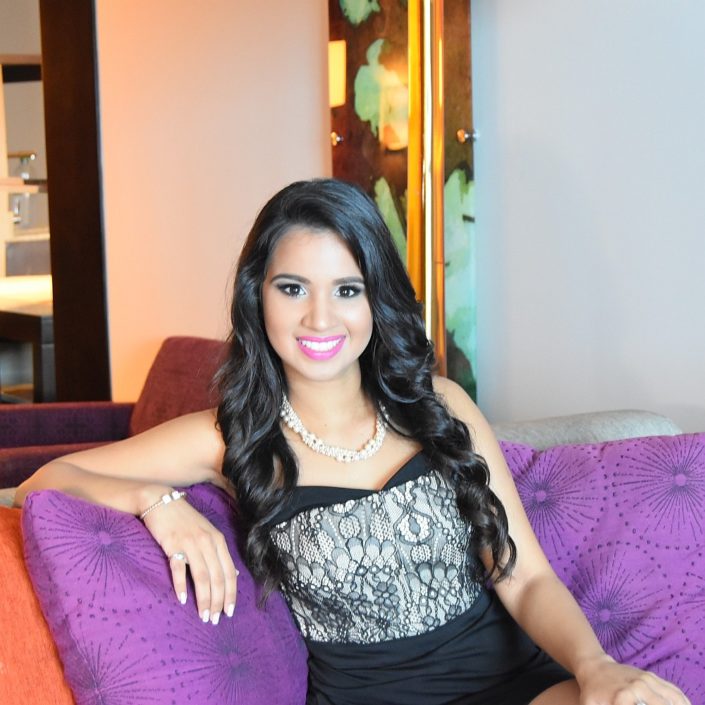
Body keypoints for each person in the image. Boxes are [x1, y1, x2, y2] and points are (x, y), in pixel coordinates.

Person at [17, 179, 689, 705]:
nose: (319, 318)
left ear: (376, 299)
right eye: (292, 288)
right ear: (257, 296)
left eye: (346, 289)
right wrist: (155, 502)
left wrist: (595, 667)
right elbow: (39, 482)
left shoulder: (441, 405)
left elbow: (525, 575)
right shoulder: (227, 436)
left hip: (519, 685)